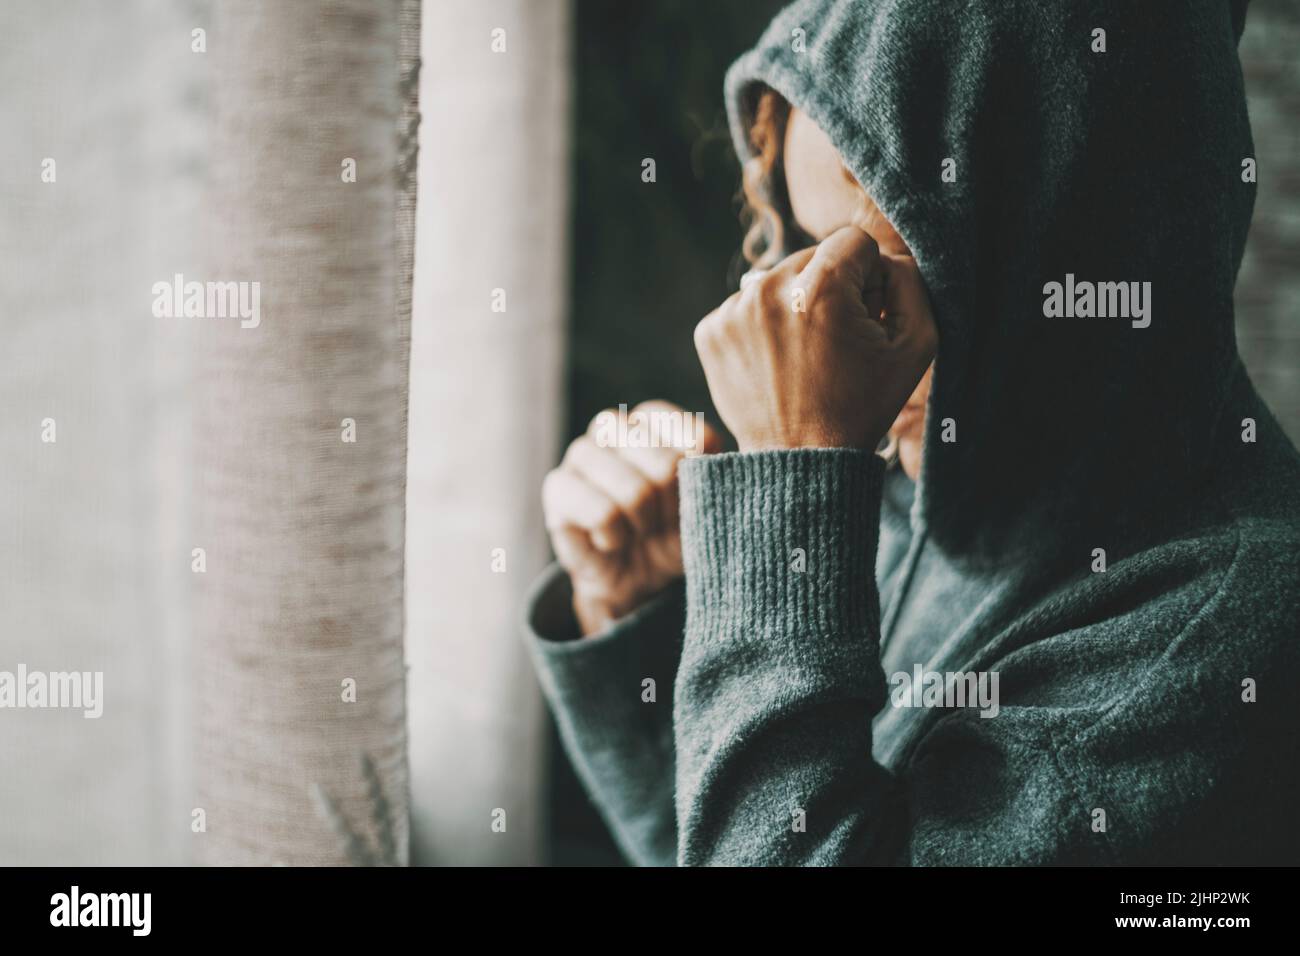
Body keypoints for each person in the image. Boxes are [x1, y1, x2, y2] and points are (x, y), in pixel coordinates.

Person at [523, 0, 1299, 865]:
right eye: (814, 245)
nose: (829, 333)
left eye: (905, 266)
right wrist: (642, 603)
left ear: (1095, 240)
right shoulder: (912, 500)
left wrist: (788, 489)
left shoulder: (1220, 644)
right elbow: (724, 843)